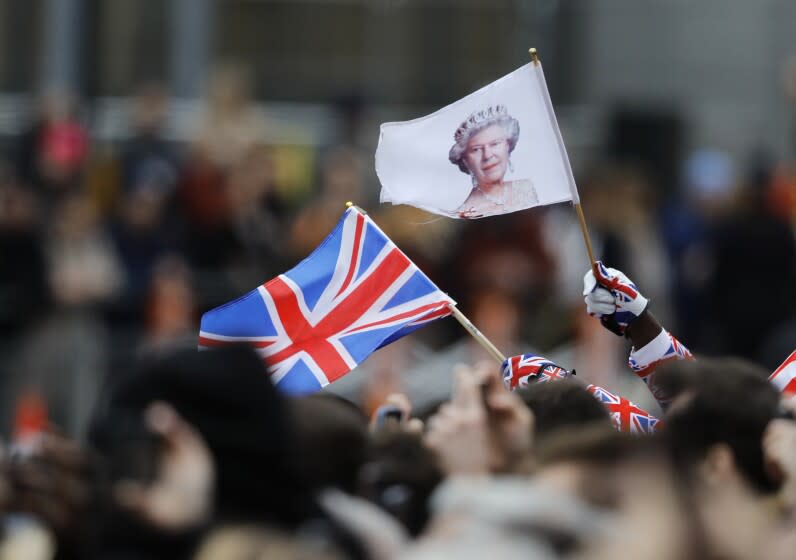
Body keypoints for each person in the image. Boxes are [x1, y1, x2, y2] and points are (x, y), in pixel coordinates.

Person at [448, 105, 538, 218]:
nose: (488, 155)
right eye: (477, 149)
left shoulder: (526, 188)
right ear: (465, 161)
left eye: (495, 143)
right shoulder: (466, 213)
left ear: (508, 146)